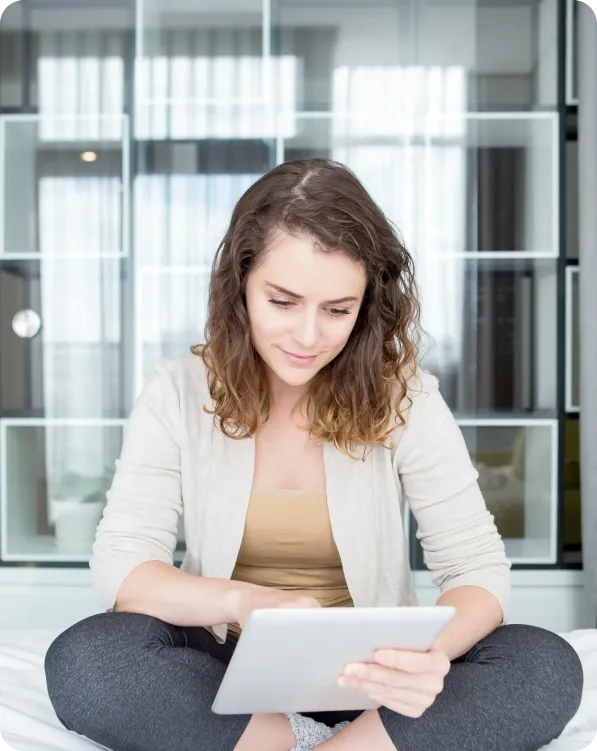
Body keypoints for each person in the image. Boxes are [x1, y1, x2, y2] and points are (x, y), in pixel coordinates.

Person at [44, 158, 583, 751]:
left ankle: (338, 744)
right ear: (241, 285)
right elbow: (122, 565)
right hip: (224, 672)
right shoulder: (178, 389)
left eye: (337, 310)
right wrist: (247, 602)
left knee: (545, 663)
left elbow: (476, 567)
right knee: (87, 658)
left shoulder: (408, 396)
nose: (307, 337)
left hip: (375, 672)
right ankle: (291, 738)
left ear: (366, 307)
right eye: (283, 301)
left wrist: (427, 656)